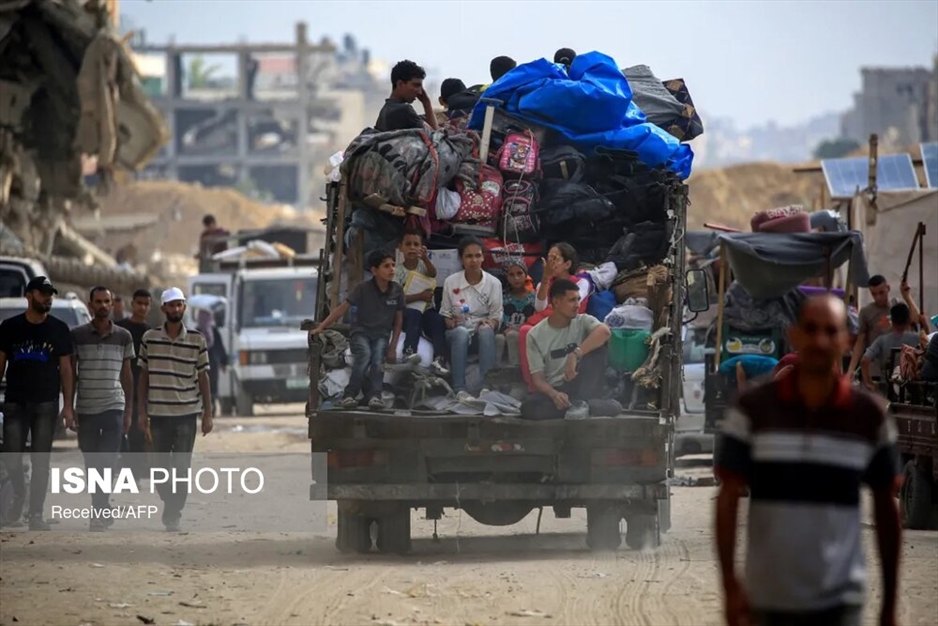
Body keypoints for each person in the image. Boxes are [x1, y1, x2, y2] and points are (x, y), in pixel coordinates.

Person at [715, 295, 901, 626]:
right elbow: (728, 499)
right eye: (811, 329)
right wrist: (730, 585)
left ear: (846, 342)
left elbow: (886, 509)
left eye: (831, 331)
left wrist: (888, 605)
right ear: (795, 336)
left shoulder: (868, 418)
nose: (820, 340)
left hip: (841, 602)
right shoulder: (754, 410)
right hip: (767, 600)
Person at [0, 276, 75, 531]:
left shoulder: (59, 329)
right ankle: (20, 493)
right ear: (29, 296)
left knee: (41, 461)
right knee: (11, 458)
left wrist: (68, 406)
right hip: (15, 403)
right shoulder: (9, 328)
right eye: (43, 294)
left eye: (50, 294)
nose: (48, 298)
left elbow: (66, 369)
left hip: (46, 403)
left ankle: (36, 515)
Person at [137, 287, 213, 532]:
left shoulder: (196, 339)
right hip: (158, 414)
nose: (176, 309)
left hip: (186, 414)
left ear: (184, 308)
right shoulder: (150, 339)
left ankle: (173, 511)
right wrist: (141, 412)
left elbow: (204, 378)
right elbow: (143, 377)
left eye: (180, 304)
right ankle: (169, 503)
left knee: (181, 467)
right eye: (171, 305)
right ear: (163, 309)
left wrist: (208, 413)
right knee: (160, 468)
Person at [71, 286, 135, 531]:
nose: (102, 305)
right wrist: (70, 406)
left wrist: (128, 411)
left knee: (107, 461)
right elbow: (72, 374)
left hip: (113, 406)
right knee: (92, 463)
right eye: (98, 301)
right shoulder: (77, 335)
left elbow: (127, 376)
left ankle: (99, 508)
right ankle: (101, 506)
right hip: (86, 407)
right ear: (90, 305)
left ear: (112, 304)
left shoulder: (123, 336)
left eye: (106, 301)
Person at [311, 250, 405, 410]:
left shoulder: (397, 290)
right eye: (386, 266)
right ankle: (349, 395)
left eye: (393, 265)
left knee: (378, 362)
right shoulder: (362, 288)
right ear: (374, 271)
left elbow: (398, 321)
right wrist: (321, 326)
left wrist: (393, 347)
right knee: (364, 355)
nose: (391, 270)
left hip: (382, 335)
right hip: (361, 333)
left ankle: (375, 396)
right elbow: (342, 309)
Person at [520, 279, 617, 420]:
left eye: (578, 300)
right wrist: (554, 395)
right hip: (558, 389)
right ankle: (583, 407)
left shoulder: (582, 320)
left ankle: (582, 404)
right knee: (528, 407)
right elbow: (538, 379)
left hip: (583, 384)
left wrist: (575, 354)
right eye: (572, 300)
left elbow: (605, 332)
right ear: (557, 302)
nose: (577, 305)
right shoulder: (535, 334)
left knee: (598, 350)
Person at [440, 236, 503, 402]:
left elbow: (496, 316)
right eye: (468, 256)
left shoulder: (494, 283)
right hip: (457, 333)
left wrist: (490, 322)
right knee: (460, 332)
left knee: (486, 330)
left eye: (477, 255)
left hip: (479, 334)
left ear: (483, 257)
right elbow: (445, 314)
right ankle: (459, 389)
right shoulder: (450, 282)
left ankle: (486, 387)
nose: (474, 260)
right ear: (461, 259)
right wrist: (451, 323)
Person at [519, 243, 591, 388]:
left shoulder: (581, 283)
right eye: (549, 258)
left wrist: (552, 307)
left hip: (570, 331)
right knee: (525, 331)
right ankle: (533, 386)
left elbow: (569, 305)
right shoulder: (544, 284)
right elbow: (540, 307)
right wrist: (546, 278)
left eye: (555, 259)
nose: (551, 263)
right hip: (548, 327)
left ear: (567, 264)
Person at [396, 229, 448, 376]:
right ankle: (408, 352)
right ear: (400, 247)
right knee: (414, 315)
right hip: (407, 312)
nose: (412, 247)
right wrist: (419, 296)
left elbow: (433, 273)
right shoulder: (397, 271)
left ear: (421, 247)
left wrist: (425, 258)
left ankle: (439, 359)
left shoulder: (423, 266)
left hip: (427, 310)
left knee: (437, 320)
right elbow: (397, 298)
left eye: (416, 244)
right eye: (408, 244)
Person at [116, 289, 152, 473]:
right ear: (133, 304)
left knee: (137, 433)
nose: (142, 307)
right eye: (139, 303)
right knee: (117, 431)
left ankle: (134, 474)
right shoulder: (120, 329)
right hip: (119, 387)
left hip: (141, 390)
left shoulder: (151, 333)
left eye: (146, 304)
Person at [861, 302, 921, 391]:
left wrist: (869, 382)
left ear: (892, 321)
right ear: (908, 320)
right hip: (912, 388)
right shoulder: (917, 338)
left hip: (887, 388)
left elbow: (864, 360)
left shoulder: (882, 340)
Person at [847, 275, 896, 378]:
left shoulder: (897, 307)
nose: (878, 297)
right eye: (874, 294)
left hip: (895, 365)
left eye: (881, 292)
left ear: (888, 288)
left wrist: (907, 297)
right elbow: (860, 342)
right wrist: (850, 370)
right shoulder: (866, 312)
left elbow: (914, 321)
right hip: (874, 367)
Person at [375, 60, 438, 132]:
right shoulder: (405, 110)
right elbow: (435, 135)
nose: (420, 92)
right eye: (416, 85)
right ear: (400, 84)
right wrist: (426, 103)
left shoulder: (385, 110)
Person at [495, 259, 535, 366]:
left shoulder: (533, 298)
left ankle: (515, 369)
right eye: (511, 275)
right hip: (504, 332)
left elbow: (535, 320)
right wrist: (504, 330)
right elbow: (497, 317)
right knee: (498, 339)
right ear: (507, 277)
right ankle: (495, 371)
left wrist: (518, 329)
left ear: (525, 274)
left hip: (524, 334)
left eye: (519, 273)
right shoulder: (502, 297)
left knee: (513, 335)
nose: (516, 278)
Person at [196, 307, 229, 414]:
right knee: (203, 386)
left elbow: (219, 346)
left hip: (211, 363)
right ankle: (204, 407)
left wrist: (223, 362)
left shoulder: (213, 331)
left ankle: (211, 407)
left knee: (212, 386)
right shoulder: (197, 331)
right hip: (203, 364)